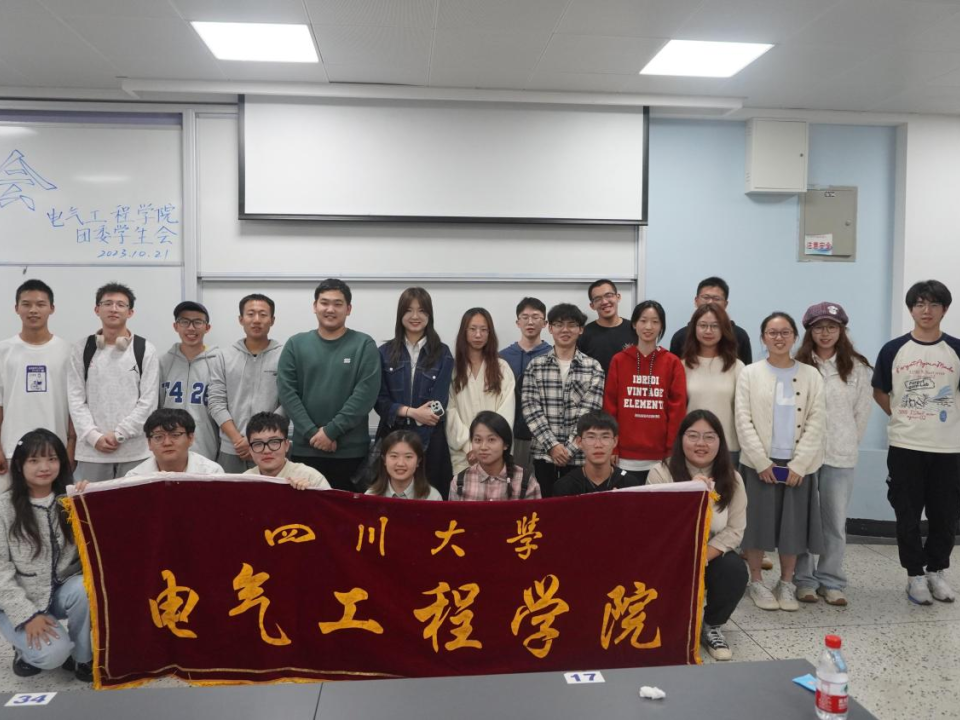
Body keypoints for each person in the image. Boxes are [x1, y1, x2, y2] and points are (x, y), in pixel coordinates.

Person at [873, 280, 960, 605]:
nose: (927, 310)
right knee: (907, 514)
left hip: (948, 449)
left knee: (945, 515)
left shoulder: (956, 350)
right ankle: (915, 576)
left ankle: (936, 570)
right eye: (920, 304)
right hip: (905, 446)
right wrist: (903, 416)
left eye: (934, 304)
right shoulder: (893, 350)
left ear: (944, 310)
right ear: (911, 309)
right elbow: (880, 391)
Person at [736, 312, 825, 612]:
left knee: (793, 527)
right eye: (772, 332)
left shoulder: (811, 375)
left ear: (795, 337)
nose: (779, 337)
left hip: (798, 464)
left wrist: (800, 465)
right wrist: (761, 462)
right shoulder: (750, 373)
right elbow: (743, 419)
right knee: (756, 525)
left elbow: (817, 421)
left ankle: (787, 582)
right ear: (763, 337)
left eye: (785, 332)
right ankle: (757, 581)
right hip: (759, 463)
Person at [647, 410, 748, 661]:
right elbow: (656, 524)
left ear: (720, 442)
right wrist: (691, 493)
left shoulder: (733, 478)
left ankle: (712, 625)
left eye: (709, 437)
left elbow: (735, 530)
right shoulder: (661, 472)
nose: (701, 443)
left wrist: (700, 558)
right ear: (681, 439)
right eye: (693, 436)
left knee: (734, 570)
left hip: (709, 554)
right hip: (670, 554)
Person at [793, 302, 873, 607]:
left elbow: (861, 413)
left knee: (835, 522)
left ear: (841, 330)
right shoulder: (798, 365)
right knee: (802, 520)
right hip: (803, 455)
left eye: (831, 327)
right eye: (818, 327)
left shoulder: (857, 367)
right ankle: (803, 579)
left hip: (840, 455)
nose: (825, 333)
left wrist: (848, 442)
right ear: (809, 331)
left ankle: (831, 580)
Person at [0, 429, 91, 682]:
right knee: (52, 656)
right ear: (20, 465)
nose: (44, 467)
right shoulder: (4, 508)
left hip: (60, 591)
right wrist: (26, 616)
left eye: (52, 459)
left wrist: (90, 501)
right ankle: (22, 649)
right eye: (34, 460)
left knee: (84, 588)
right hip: (20, 597)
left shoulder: (70, 500)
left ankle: (83, 657)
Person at [278, 279, 380, 492]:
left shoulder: (364, 344)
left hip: (351, 453)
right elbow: (288, 393)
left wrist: (331, 432)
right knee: (306, 511)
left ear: (348, 309)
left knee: (348, 512)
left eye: (337, 304)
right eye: (324, 303)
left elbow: (365, 395)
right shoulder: (296, 344)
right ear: (315, 306)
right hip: (306, 450)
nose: (330, 309)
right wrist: (312, 434)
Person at [67, 282, 159, 481]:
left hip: (136, 451)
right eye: (107, 303)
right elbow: (75, 399)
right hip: (92, 450)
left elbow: (149, 401)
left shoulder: (145, 349)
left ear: (130, 312)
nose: (114, 309)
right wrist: (94, 437)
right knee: (92, 501)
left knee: (135, 500)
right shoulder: (81, 349)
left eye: (120, 304)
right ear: (97, 309)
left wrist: (119, 434)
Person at [374, 288, 454, 497]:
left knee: (430, 498)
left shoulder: (442, 353)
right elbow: (379, 400)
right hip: (391, 436)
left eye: (422, 310)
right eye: (409, 310)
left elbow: (439, 403)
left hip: (431, 439)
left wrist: (421, 426)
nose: (415, 316)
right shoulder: (384, 353)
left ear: (430, 315)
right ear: (400, 314)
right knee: (389, 498)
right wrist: (411, 413)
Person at [521, 303, 604, 496]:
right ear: (550, 328)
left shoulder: (593, 367)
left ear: (580, 329)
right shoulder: (536, 366)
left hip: (579, 457)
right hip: (543, 454)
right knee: (544, 508)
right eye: (559, 324)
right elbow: (531, 409)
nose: (565, 330)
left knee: (575, 509)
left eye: (571, 324)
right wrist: (552, 446)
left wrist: (569, 449)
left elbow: (590, 412)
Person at [0, 279, 74, 491]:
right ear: (16, 308)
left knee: (55, 507)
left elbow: (75, 406)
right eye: (26, 304)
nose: (33, 310)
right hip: (11, 449)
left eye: (40, 304)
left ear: (52, 308)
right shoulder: (3, 351)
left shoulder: (68, 352)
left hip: (55, 451)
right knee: (10, 507)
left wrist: (71, 447)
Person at [603, 300, 687, 483]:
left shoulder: (672, 362)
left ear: (661, 326)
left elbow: (677, 411)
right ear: (634, 324)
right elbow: (610, 407)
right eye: (643, 321)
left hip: (661, 458)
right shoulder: (619, 360)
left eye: (655, 322)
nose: (648, 327)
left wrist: (671, 451)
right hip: (623, 456)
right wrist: (612, 446)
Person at [207, 293, 285, 474]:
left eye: (263, 314)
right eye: (250, 314)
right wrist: (237, 439)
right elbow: (216, 402)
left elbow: (288, 402)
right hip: (232, 447)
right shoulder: (223, 356)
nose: (256, 320)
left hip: (271, 447)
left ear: (272, 320)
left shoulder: (285, 355)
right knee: (230, 492)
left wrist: (259, 440)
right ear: (241, 319)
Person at [445, 308, 515, 474]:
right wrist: (470, 446)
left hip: (496, 453)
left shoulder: (502, 368)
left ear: (490, 333)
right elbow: (450, 412)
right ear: (464, 332)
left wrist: (488, 444)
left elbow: (506, 411)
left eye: (484, 330)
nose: (478, 335)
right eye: (473, 329)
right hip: (463, 454)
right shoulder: (452, 369)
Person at [680, 303, 745, 465]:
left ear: (724, 329)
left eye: (715, 326)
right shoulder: (682, 366)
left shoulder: (737, 367)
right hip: (692, 447)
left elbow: (743, 413)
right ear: (694, 329)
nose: (708, 331)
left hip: (728, 448)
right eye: (703, 325)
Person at [157, 301, 221, 461]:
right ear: (175, 326)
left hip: (206, 447)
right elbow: (155, 408)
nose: (191, 328)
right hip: (168, 446)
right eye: (184, 322)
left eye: (198, 322)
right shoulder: (163, 362)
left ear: (207, 327)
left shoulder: (219, 362)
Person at [500, 298, 552, 473]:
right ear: (517, 322)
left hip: (545, 437)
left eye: (536, 317)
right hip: (511, 435)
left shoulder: (553, 355)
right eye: (525, 317)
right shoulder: (503, 357)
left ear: (545, 323)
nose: (530, 322)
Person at [448, 411, 541, 501]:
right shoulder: (459, 482)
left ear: (505, 444)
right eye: (478, 440)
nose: (483, 447)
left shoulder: (526, 482)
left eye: (491, 440)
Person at [553, 411, 642, 495]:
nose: (598, 445)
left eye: (605, 437)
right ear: (579, 442)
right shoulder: (565, 486)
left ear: (615, 441)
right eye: (591, 437)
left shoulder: (630, 485)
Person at [669, 277, 752, 366]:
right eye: (706, 297)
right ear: (696, 301)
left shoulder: (740, 336)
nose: (710, 302)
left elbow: (747, 371)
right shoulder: (680, 337)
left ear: (725, 304)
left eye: (716, 298)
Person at [243, 411, 331, 490]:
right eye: (258, 444)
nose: (266, 450)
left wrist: (310, 493)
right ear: (250, 450)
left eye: (274, 442)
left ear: (286, 445)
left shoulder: (311, 478)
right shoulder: (243, 482)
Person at [124, 409, 224, 476]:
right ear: (149, 443)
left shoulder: (212, 473)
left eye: (175, 435)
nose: (167, 443)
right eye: (158, 437)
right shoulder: (135, 478)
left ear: (190, 438)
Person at [578, 279, 637, 373]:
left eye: (608, 295)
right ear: (592, 305)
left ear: (618, 297)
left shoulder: (635, 329)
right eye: (598, 299)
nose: (604, 302)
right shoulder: (584, 334)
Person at [365, 429, 442, 500]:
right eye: (394, 456)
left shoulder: (432, 497)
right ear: (384, 460)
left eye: (408, 457)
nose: (400, 463)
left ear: (418, 461)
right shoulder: (371, 496)